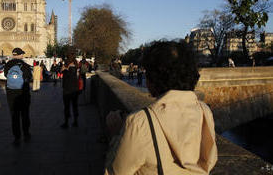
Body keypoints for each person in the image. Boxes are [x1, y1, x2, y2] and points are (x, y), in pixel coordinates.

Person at [104, 41, 217, 175]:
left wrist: (115, 136)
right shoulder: (205, 111)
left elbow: (114, 172)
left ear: (153, 78)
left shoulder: (140, 122)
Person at [4, 47, 32, 146]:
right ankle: (26, 134)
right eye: (22, 54)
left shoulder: (7, 65)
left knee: (14, 116)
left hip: (11, 93)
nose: (23, 56)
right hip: (23, 93)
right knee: (25, 114)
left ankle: (16, 137)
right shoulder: (25, 65)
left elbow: (6, 75)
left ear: (13, 55)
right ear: (20, 55)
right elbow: (29, 77)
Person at [60, 52, 79, 129]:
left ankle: (66, 122)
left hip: (67, 90)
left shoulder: (66, 69)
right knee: (75, 106)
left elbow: (61, 71)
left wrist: (65, 67)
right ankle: (75, 121)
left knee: (67, 107)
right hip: (75, 89)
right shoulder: (76, 67)